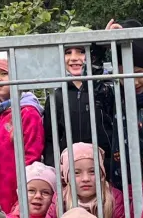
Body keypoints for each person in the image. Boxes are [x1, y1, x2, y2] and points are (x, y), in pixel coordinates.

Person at [0, 53, 47, 218]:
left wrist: (23, 193)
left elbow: (32, 156)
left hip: (16, 193)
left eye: (4, 73)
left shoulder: (27, 112)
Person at [41, 35, 120, 185]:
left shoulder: (106, 90)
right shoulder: (56, 96)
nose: (74, 58)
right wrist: (56, 168)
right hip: (71, 175)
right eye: (68, 52)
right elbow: (51, 139)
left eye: (81, 51)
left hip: (106, 172)